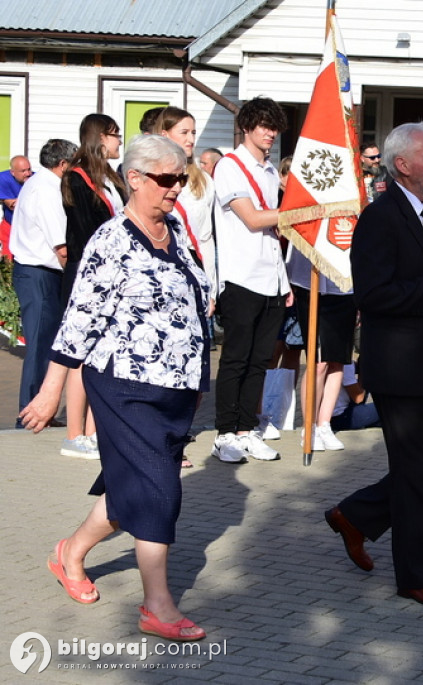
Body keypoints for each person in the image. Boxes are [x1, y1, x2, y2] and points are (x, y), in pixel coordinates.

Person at [20, 134, 210, 641]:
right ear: (136, 179)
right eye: (167, 180)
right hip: (125, 383)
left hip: (176, 387)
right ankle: (157, 606)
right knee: (159, 489)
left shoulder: (174, 230)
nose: (175, 189)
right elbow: (78, 321)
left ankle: (70, 553)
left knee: (133, 485)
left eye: (181, 178)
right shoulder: (112, 241)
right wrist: (50, 390)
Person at [323, 121, 423, 607]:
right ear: (403, 165)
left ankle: (357, 515)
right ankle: (417, 576)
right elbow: (373, 293)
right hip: (399, 366)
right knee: (411, 472)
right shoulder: (380, 217)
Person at [211, 97, 291, 464]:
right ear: (246, 127)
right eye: (263, 125)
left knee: (260, 360)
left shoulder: (271, 171)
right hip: (241, 275)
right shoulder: (230, 166)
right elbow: (254, 219)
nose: (270, 133)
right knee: (236, 358)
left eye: (274, 126)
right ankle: (225, 433)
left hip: (271, 277)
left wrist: (285, 282)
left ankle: (247, 429)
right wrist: (301, 212)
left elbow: (274, 232)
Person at [61, 113, 127, 460]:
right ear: (101, 137)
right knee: (80, 354)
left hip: (112, 274)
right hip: (86, 274)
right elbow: (87, 231)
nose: (120, 142)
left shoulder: (110, 178)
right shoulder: (77, 177)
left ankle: (93, 430)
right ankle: (74, 434)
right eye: (116, 136)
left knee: (101, 355)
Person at [10, 139, 77, 425]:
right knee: (40, 345)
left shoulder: (40, 185)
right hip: (39, 273)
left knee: (46, 344)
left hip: (37, 272)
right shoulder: (47, 190)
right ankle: (31, 413)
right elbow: (60, 246)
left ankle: (39, 409)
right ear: (63, 165)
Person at [285, 243, 354, 452]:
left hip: (347, 282)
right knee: (319, 362)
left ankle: (325, 423)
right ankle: (310, 425)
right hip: (313, 281)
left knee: (338, 360)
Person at [155, 107, 217, 297]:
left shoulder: (203, 180)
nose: (191, 139)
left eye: (193, 133)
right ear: (164, 134)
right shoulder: (149, 178)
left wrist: (211, 288)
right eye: (184, 133)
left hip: (194, 267)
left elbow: (206, 238)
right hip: (160, 270)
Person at [0, 155, 34, 258]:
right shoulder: (3, 178)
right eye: (23, 171)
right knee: (6, 258)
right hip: (10, 225)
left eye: (29, 170)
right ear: (13, 172)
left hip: (29, 228)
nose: (28, 174)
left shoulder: (36, 178)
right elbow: (12, 205)